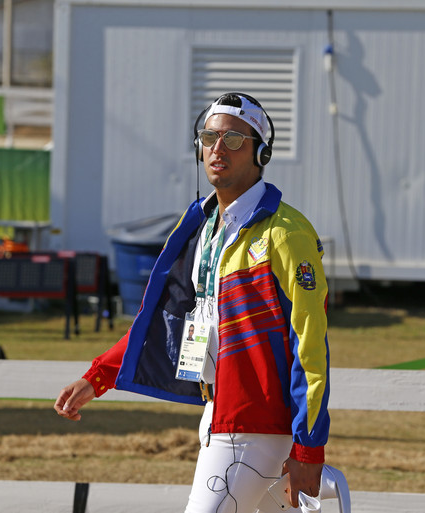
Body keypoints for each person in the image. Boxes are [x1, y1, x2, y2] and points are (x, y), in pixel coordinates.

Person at [54, 92, 330, 513]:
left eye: (234, 140)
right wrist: (98, 377)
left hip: (254, 426)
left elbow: (310, 346)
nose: (217, 149)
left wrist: (309, 450)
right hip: (219, 414)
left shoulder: (286, 232)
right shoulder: (201, 226)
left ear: (262, 152)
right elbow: (164, 322)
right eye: (208, 137)